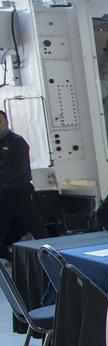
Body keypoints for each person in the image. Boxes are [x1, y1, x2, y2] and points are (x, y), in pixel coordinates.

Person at [0, 109, 49, 255]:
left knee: (34, 224)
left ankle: (50, 254)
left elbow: (20, 169)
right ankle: (7, 256)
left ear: (6, 122)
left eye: (0, 121)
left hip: (20, 192)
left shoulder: (17, 142)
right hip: (3, 195)